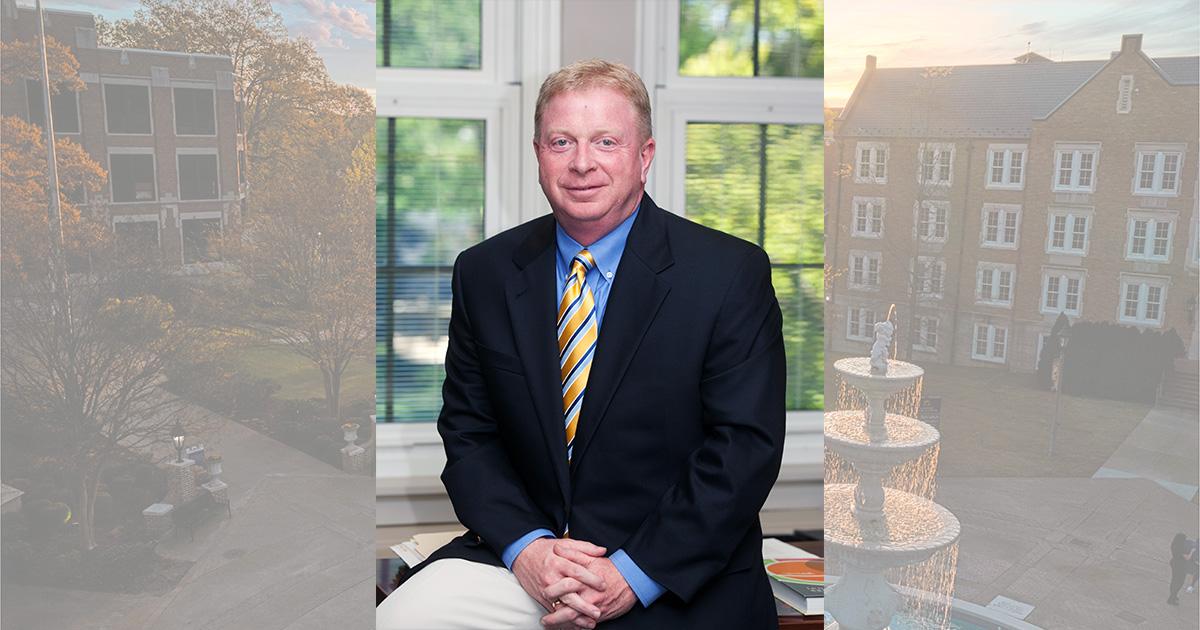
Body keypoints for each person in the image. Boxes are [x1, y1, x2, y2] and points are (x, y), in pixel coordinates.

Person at [377, 59, 785, 629]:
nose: (582, 163)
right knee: (399, 618)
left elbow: (744, 449)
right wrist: (528, 551)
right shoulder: (485, 273)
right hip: (527, 568)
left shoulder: (728, 273)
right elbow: (469, 436)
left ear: (645, 156)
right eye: (561, 141)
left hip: (670, 577)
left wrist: (630, 576)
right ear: (538, 154)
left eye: (606, 141)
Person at [1169, 533, 1189, 605]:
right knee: (1179, 582)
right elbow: (1187, 557)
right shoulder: (1180, 548)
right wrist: (1192, 551)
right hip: (1180, 566)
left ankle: (1173, 595)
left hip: (1174, 563)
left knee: (1174, 580)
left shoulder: (1174, 545)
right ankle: (1172, 598)